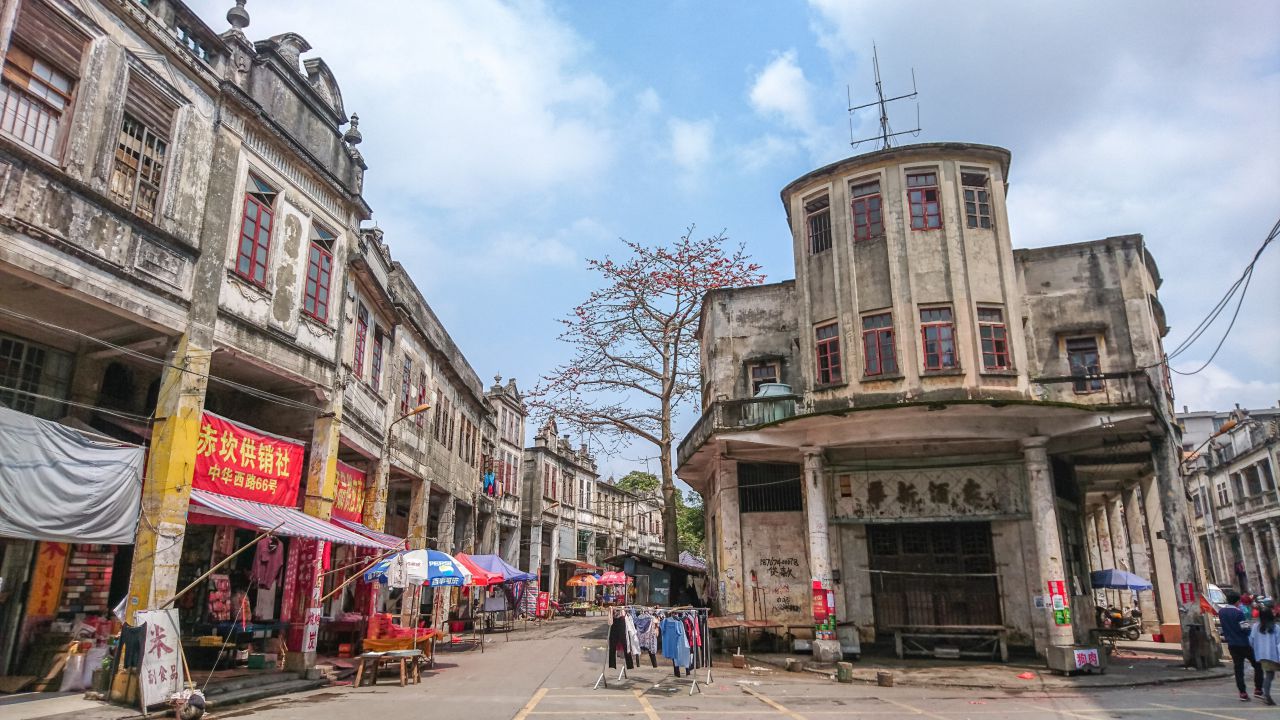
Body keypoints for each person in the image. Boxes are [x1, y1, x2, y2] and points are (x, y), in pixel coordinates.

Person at [1221, 590, 1263, 701]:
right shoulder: (1238, 612)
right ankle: (1258, 689)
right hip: (1243, 643)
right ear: (1237, 601)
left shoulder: (1222, 612)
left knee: (1238, 668)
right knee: (1257, 664)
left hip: (1231, 644)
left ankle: (1242, 692)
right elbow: (1245, 629)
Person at [1250, 602, 1280, 706]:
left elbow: (1251, 641)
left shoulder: (1255, 627)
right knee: (1270, 676)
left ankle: (1266, 695)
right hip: (1274, 655)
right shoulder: (1275, 628)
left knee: (1269, 675)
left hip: (1262, 655)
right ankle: (1266, 695)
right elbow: (1279, 644)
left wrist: (1257, 650)